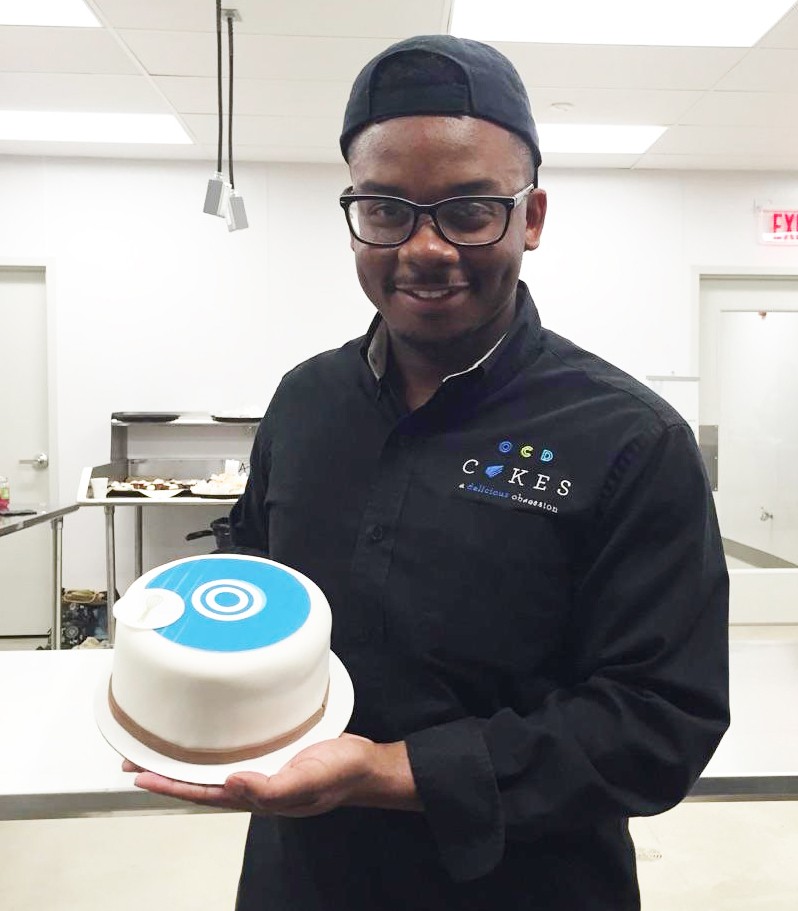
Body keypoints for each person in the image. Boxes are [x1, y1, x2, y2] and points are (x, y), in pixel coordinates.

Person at [127, 34, 730, 910]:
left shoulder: (631, 441)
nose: (426, 247)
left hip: (528, 884)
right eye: (385, 209)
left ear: (532, 216)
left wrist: (382, 771)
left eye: (469, 208)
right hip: (302, 879)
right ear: (354, 213)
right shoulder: (305, 403)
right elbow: (259, 594)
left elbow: (657, 724)